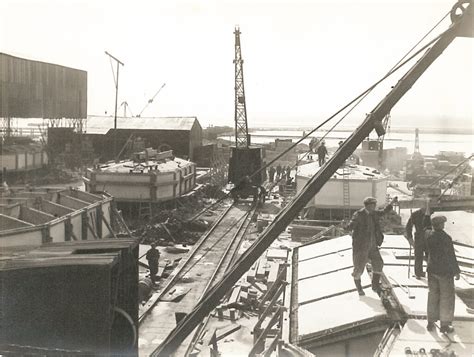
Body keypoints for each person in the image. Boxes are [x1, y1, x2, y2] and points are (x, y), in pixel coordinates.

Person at [348, 196, 396, 296]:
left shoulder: (374, 213)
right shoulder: (359, 214)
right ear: (368, 205)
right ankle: (359, 289)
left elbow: (383, 212)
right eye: (373, 205)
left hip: (372, 245)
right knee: (358, 269)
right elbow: (351, 224)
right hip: (361, 246)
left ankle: (375, 285)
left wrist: (391, 203)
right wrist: (349, 226)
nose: (375, 206)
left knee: (378, 263)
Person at [426, 214, 460, 333]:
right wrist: (456, 271)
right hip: (445, 272)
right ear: (440, 225)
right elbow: (451, 256)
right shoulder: (446, 238)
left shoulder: (429, 236)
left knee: (433, 295)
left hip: (432, 270)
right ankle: (444, 325)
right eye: (443, 223)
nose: (444, 225)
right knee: (446, 297)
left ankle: (430, 322)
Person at [405, 199, 432, 278]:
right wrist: (410, 238)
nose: (425, 207)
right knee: (418, 257)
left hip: (430, 238)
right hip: (419, 238)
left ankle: (431, 273)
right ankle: (418, 273)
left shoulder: (432, 214)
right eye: (424, 205)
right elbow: (408, 227)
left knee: (430, 257)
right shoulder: (415, 214)